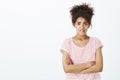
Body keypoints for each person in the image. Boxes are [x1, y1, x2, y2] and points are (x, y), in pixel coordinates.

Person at [60, 3, 103, 80]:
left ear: (89, 25)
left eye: (85, 24)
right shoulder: (67, 43)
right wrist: (88, 64)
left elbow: (99, 67)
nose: (82, 27)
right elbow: (66, 69)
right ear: (74, 24)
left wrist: (75, 69)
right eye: (79, 23)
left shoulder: (96, 42)